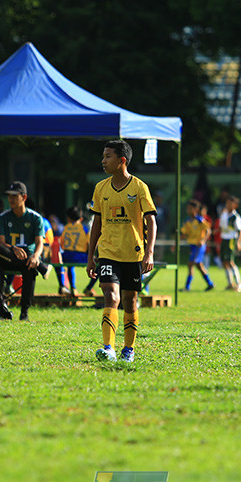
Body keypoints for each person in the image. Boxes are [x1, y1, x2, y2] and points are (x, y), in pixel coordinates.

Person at [87, 140, 156, 362]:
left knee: (129, 300)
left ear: (121, 160)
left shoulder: (139, 187)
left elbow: (151, 221)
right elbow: (96, 224)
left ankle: (129, 349)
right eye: (103, 155)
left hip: (133, 253)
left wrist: (149, 252)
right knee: (110, 295)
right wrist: (91, 257)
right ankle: (108, 348)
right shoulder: (100, 188)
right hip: (107, 252)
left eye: (108, 156)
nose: (103, 160)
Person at [0, 181, 51, 321]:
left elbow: (39, 243)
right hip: (8, 256)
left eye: (14, 196)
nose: (11, 199)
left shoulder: (35, 218)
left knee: (30, 266)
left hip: (28, 257)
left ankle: (24, 312)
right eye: (9, 196)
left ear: (23, 197)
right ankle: (42, 267)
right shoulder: (2, 218)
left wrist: (36, 256)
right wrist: (13, 248)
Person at [179, 199, 214, 291]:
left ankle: (187, 287)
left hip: (199, 246)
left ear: (195, 209)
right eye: (188, 208)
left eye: (190, 208)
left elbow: (208, 230)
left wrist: (203, 240)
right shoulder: (187, 221)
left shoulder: (199, 220)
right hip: (192, 246)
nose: (188, 210)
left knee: (191, 264)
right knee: (199, 266)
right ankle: (210, 284)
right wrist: (176, 243)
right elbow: (184, 234)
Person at [218, 195, 241, 292]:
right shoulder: (224, 214)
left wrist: (239, 242)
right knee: (224, 261)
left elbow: (240, 230)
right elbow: (221, 227)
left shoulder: (235, 217)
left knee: (230, 261)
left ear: (235, 205)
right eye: (227, 203)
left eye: (230, 203)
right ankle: (230, 283)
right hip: (224, 239)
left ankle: (239, 282)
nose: (227, 205)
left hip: (231, 240)